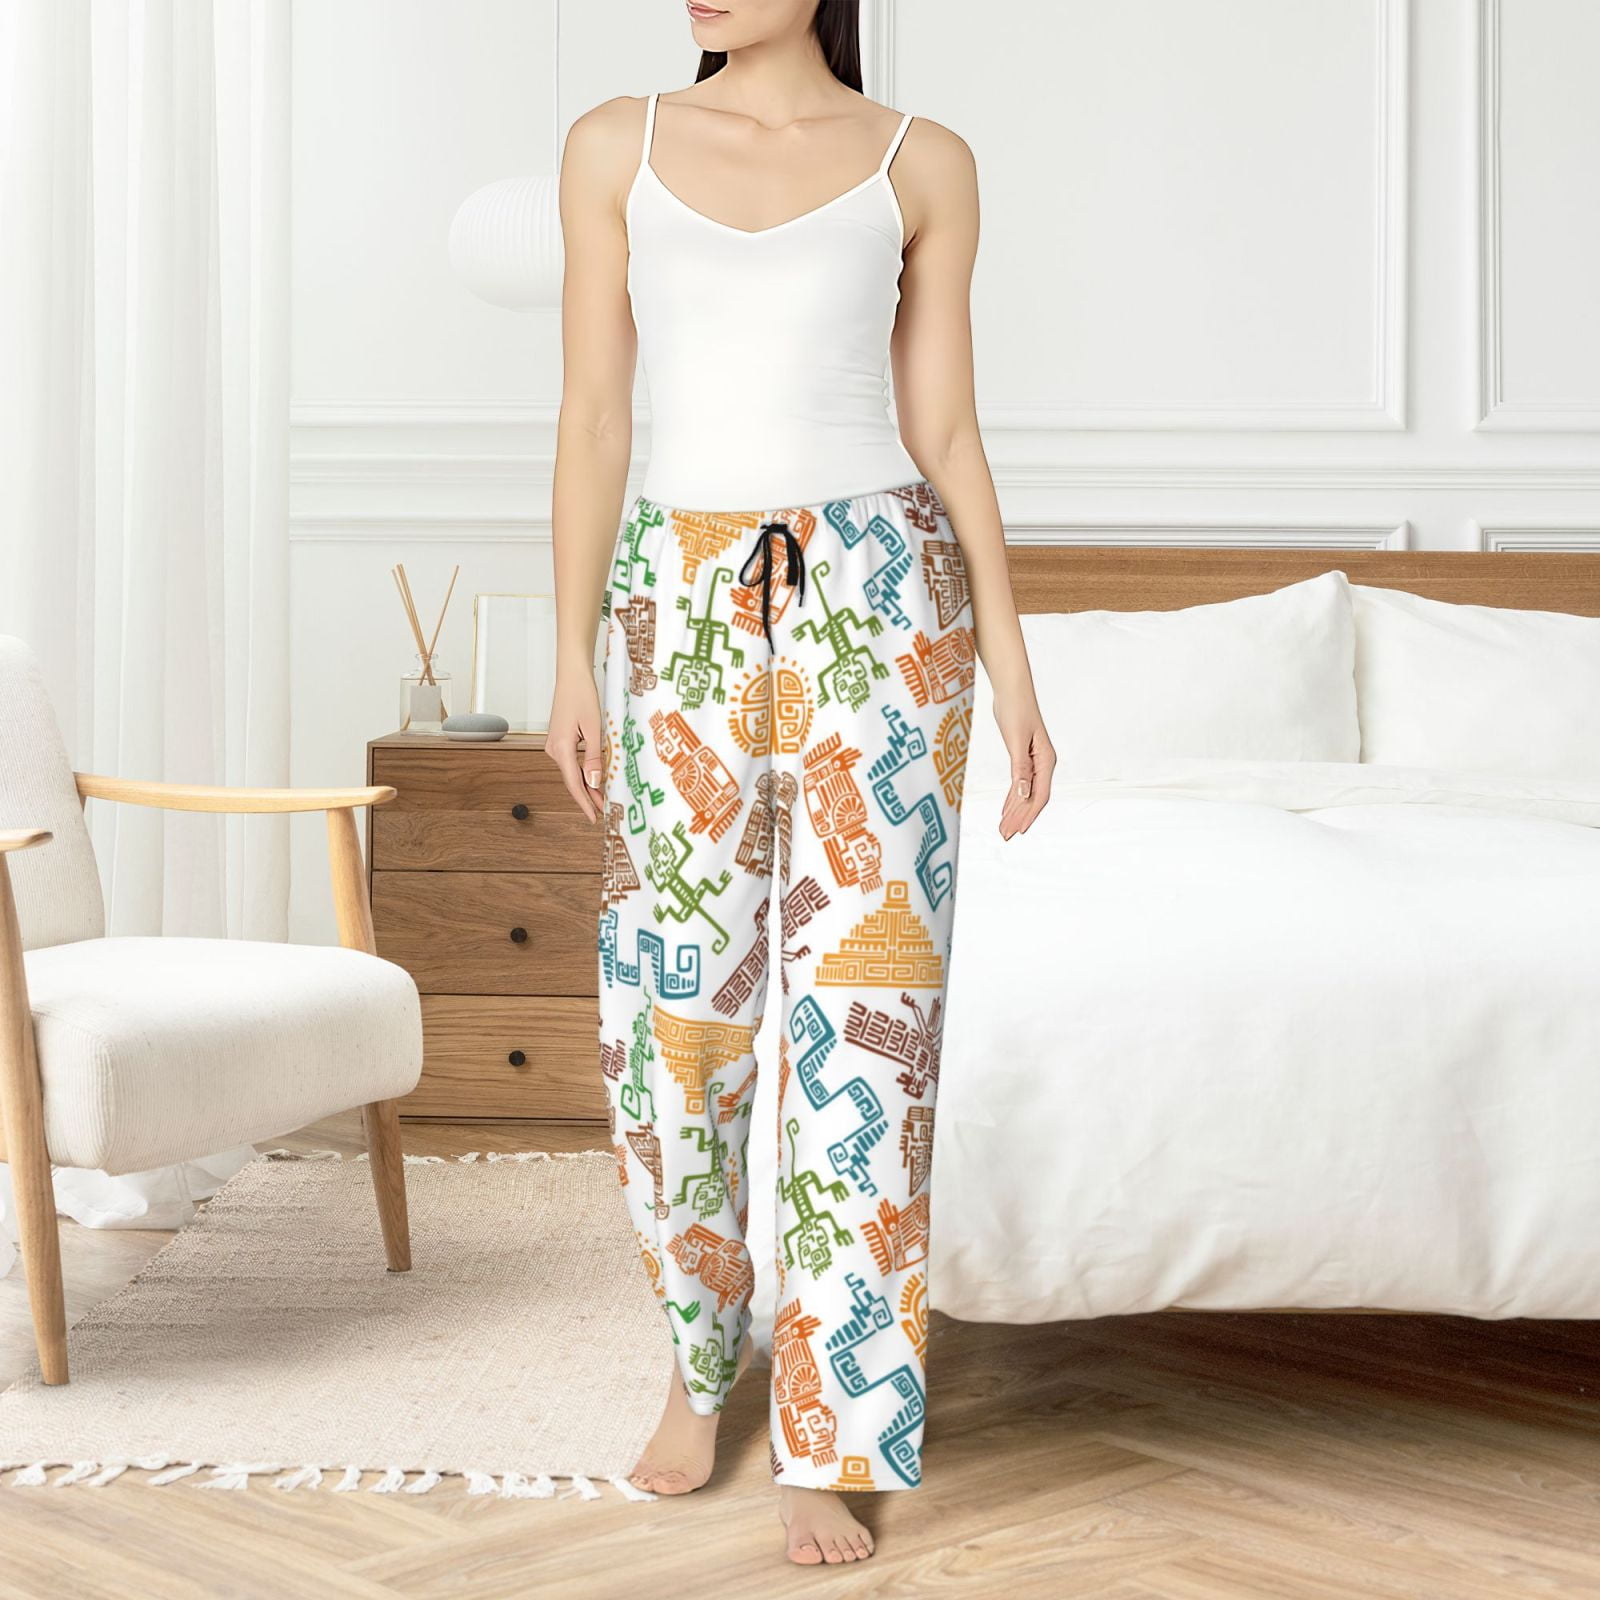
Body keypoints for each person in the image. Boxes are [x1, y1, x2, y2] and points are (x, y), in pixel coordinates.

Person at [547, 0, 1052, 1567]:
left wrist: (1012, 666)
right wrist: (572, 655)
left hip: (885, 598)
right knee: (677, 1013)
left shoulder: (923, 161)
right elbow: (595, 414)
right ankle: (701, 1361)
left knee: (867, 1024)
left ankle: (829, 1432)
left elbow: (947, 425)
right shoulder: (616, 144)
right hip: (682, 598)